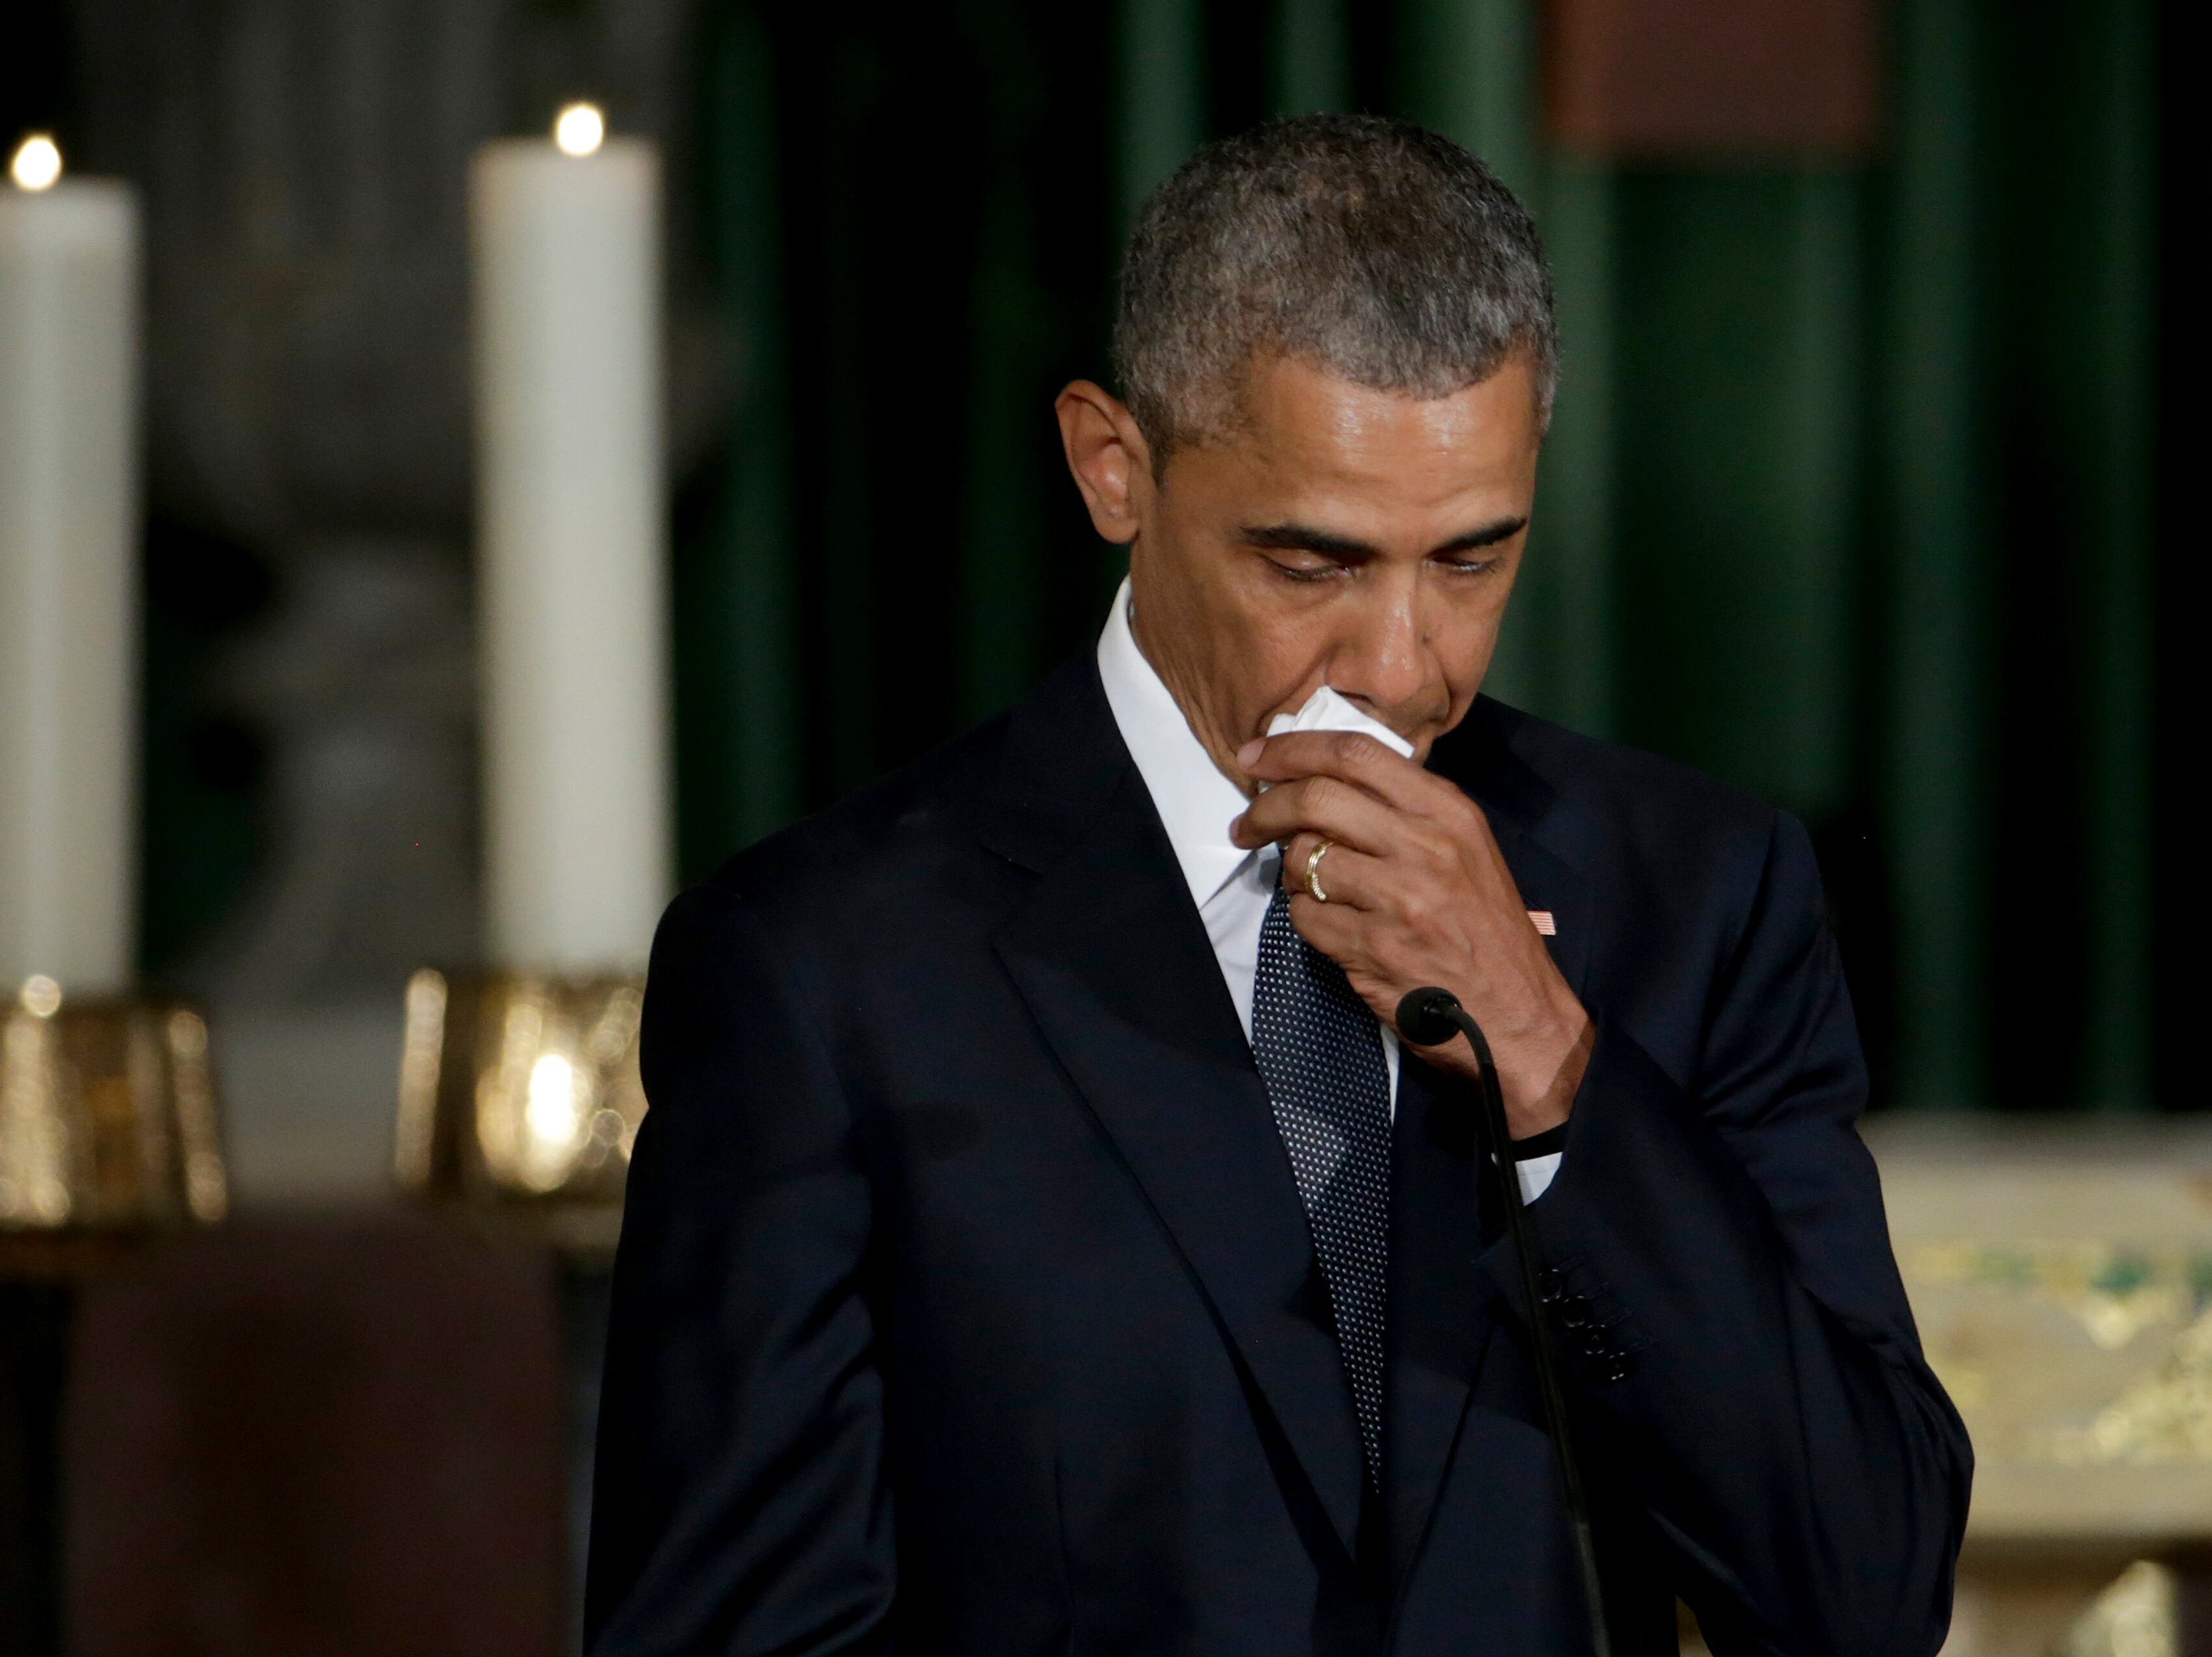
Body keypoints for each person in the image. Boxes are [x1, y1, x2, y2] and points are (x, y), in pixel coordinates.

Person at [586, 115, 1970, 1656]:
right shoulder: (824, 969)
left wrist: (1543, 1050)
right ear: (1115, 466)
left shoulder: (1703, 894)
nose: (1399, 669)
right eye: (1312, 564)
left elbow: (1866, 1592)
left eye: (1471, 560)